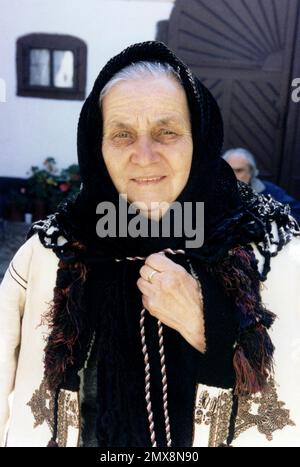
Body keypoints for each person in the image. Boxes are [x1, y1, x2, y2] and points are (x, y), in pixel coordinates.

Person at [0, 41, 299, 448]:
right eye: (122, 134)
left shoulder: (273, 252)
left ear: (201, 140)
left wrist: (215, 324)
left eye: (167, 132)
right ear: (96, 146)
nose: (144, 156)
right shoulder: (51, 252)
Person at [223, 148, 300, 222]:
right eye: (228, 170)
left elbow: (296, 212)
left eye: (239, 170)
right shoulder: (214, 192)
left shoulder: (270, 191)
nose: (232, 175)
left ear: (251, 172)